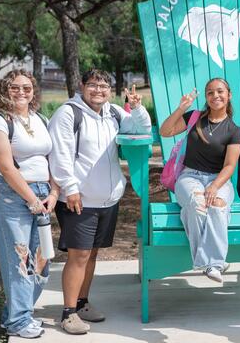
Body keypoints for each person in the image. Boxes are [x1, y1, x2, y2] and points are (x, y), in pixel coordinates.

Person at [48, 69, 151, 335]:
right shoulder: (69, 113)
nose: (98, 90)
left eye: (104, 86)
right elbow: (59, 155)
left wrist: (137, 109)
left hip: (107, 199)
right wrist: (70, 189)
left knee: (92, 254)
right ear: (82, 86)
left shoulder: (114, 113)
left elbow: (141, 128)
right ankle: (68, 313)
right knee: (78, 254)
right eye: (93, 85)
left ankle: (82, 304)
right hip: (78, 199)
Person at [0, 69, 59, 339]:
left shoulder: (40, 118)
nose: (21, 92)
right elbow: (5, 166)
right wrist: (32, 199)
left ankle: (14, 315)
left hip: (42, 195)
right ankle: (18, 321)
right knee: (19, 259)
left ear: (34, 91)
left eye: (27, 88)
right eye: (15, 87)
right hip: (11, 196)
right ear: (4, 89)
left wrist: (53, 192)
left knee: (41, 261)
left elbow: (53, 159)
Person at [159, 78, 240, 283]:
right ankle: (214, 263)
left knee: (216, 205)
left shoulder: (233, 130)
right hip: (189, 176)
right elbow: (165, 131)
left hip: (219, 179)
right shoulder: (194, 117)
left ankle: (207, 264)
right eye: (210, 92)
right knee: (197, 204)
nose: (216, 96)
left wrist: (214, 186)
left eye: (220, 91)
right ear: (206, 97)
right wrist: (181, 108)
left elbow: (230, 166)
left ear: (229, 95)